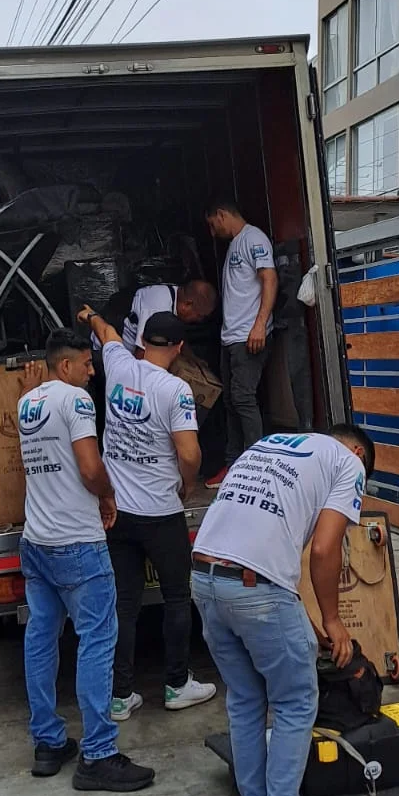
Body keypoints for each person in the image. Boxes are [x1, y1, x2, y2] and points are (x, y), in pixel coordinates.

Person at [191, 424, 374, 796]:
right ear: (356, 451)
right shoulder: (348, 462)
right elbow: (324, 549)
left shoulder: (270, 445)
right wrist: (333, 621)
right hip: (257, 589)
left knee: (247, 699)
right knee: (295, 700)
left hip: (205, 578)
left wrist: (299, 614)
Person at [17, 328, 155, 793]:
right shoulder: (76, 402)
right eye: (87, 364)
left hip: (36, 540)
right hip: (77, 542)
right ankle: (98, 754)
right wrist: (109, 494)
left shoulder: (28, 402)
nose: (92, 372)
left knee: (41, 639)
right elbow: (90, 468)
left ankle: (48, 741)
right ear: (65, 366)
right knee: (97, 641)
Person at [79, 305, 216, 719]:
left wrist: (89, 317)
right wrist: (187, 481)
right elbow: (189, 451)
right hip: (160, 512)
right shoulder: (175, 390)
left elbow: (106, 331)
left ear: (141, 342)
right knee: (177, 596)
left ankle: (120, 696)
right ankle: (176, 685)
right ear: (178, 347)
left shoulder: (118, 365)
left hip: (117, 511)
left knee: (124, 603)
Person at [204, 200, 278, 488]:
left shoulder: (253, 238)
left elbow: (269, 279)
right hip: (231, 336)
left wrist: (260, 324)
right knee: (232, 400)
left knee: (244, 398)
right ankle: (234, 462)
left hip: (249, 335)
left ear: (222, 215)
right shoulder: (236, 244)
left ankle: (256, 466)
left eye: (212, 224)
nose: (212, 232)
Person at [121, 279, 217, 356]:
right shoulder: (158, 308)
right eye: (199, 316)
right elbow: (142, 353)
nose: (199, 320)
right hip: (124, 355)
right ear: (187, 304)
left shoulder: (175, 295)